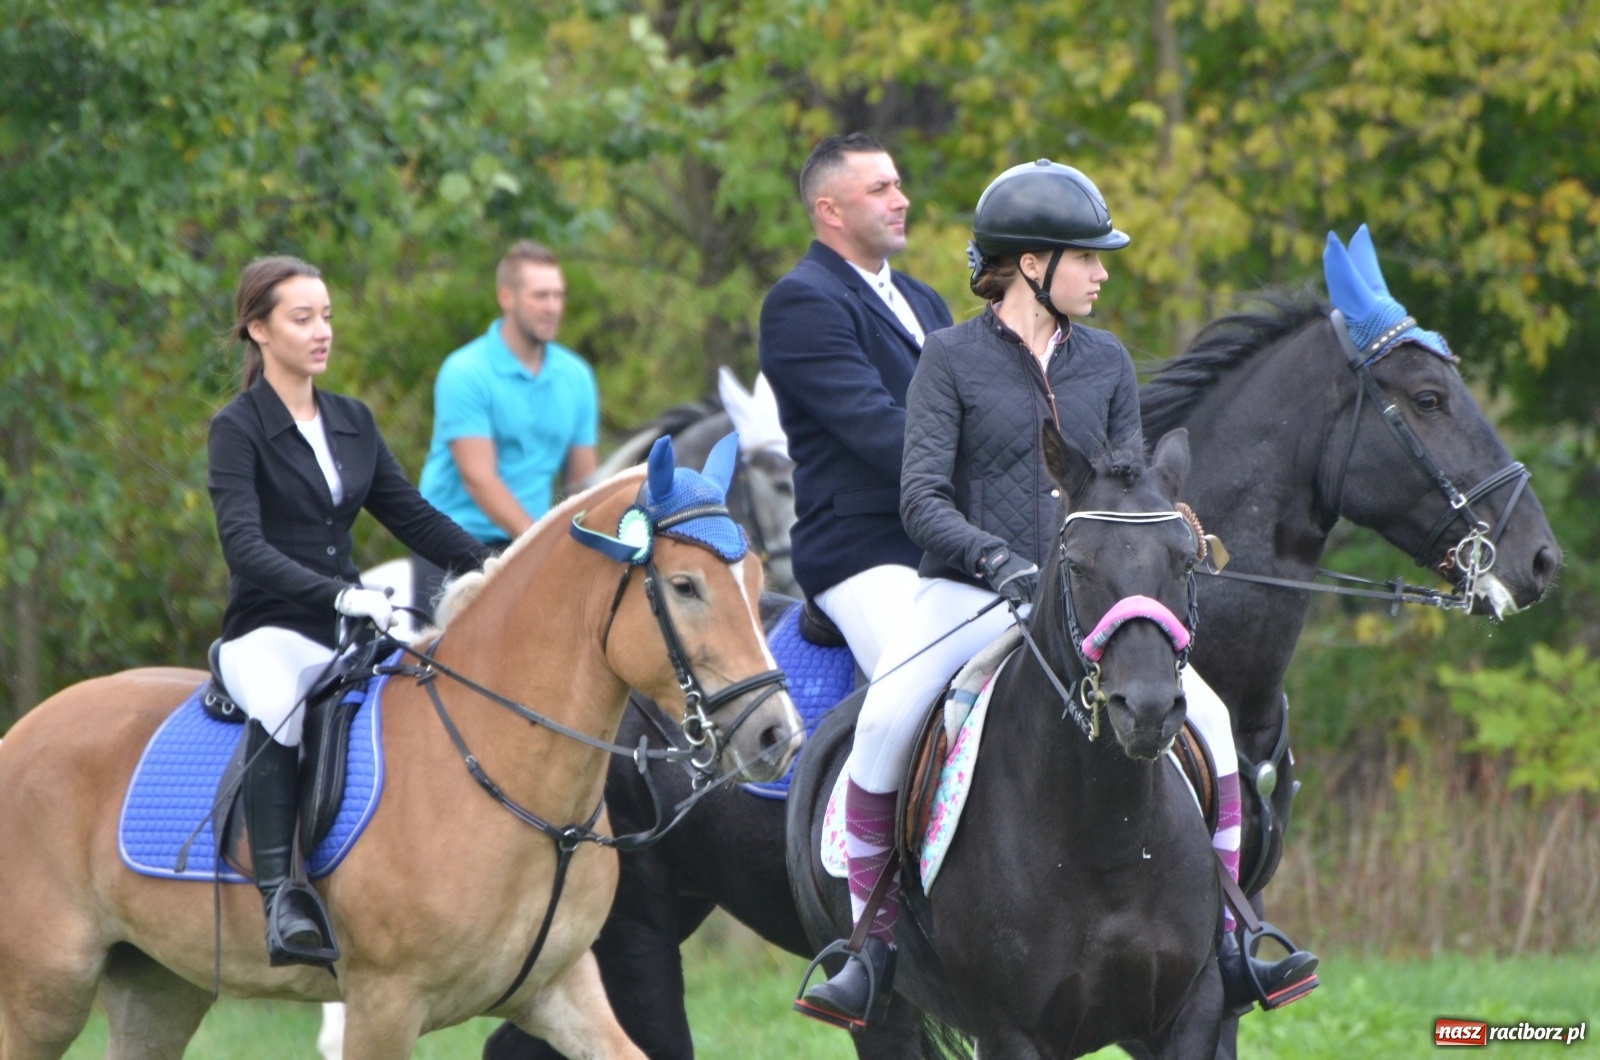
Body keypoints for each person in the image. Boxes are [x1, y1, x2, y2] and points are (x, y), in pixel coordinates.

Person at [795, 160, 1319, 1028]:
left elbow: (1125, 479)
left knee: (1217, 728)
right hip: (968, 592)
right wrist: (995, 559)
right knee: (884, 725)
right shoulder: (949, 359)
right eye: (1089, 257)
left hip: (1095, 600)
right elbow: (921, 499)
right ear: (1032, 262)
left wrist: (1165, 529)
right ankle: (871, 945)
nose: (1104, 272)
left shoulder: (1106, 361)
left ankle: (1230, 933)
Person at [208, 256, 493, 966]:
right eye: (302, 318)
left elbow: (415, 518)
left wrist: (496, 566)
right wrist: (337, 592)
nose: (322, 331)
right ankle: (282, 898)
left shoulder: (351, 421)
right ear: (258, 330)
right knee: (283, 707)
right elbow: (242, 546)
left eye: (326, 315)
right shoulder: (236, 429)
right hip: (268, 631)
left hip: (350, 628)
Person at [760, 133, 953, 675]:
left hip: (949, 543)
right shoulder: (801, 301)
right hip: (865, 551)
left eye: (898, 184)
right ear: (831, 211)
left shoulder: (923, 298)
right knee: (918, 691)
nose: (901, 199)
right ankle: (857, 767)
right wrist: (985, 453)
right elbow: (876, 428)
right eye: (880, 188)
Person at [414, 241, 599, 617]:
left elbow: (583, 484)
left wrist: (594, 544)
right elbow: (478, 478)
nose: (553, 307)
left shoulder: (576, 376)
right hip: (451, 548)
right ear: (506, 297)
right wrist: (543, 541)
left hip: (528, 546)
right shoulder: (465, 371)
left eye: (558, 296)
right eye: (540, 296)